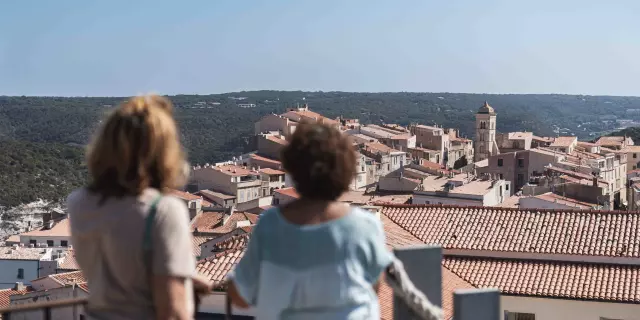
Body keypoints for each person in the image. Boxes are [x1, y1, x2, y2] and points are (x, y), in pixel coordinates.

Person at [226, 121, 394, 319]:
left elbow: (241, 296)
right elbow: (373, 287)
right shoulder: (365, 226)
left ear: (293, 169)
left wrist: (229, 283)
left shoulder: (270, 225)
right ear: (347, 170)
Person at [67, 95, 211, 320]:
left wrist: (184, 276)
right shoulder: (163, 210)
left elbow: (121, 264)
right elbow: (173, 312)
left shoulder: (79, 203)